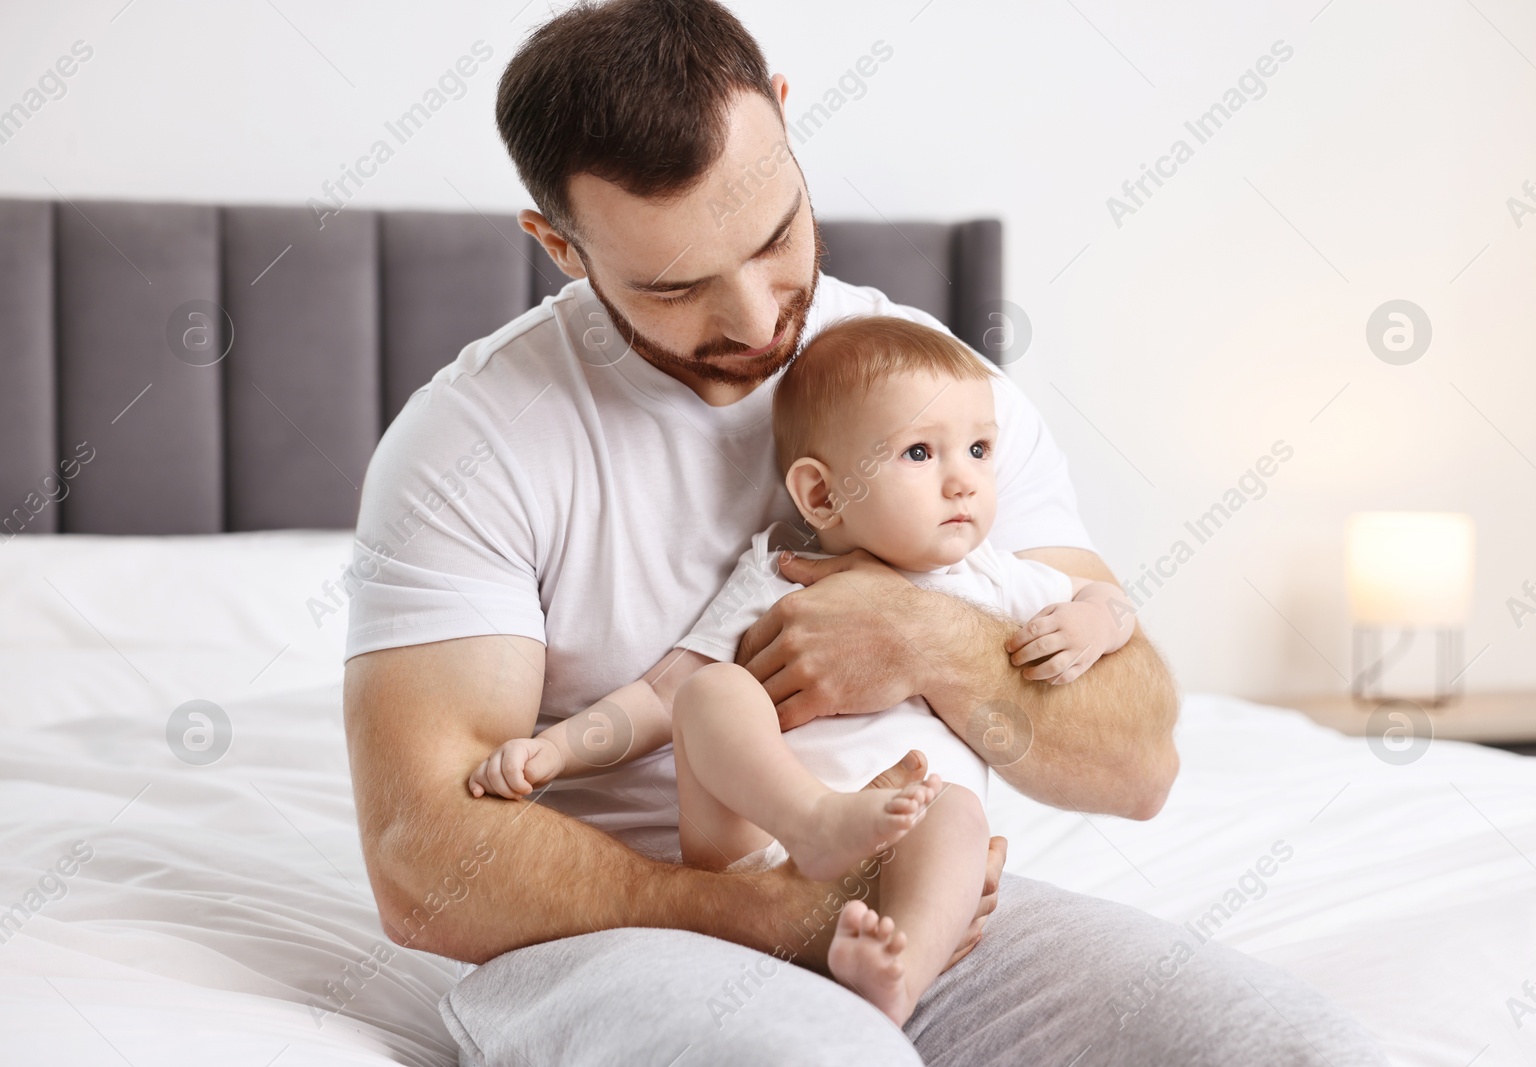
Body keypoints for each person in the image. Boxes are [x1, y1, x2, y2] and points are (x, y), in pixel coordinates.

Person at [342, 0, 1389, 1061]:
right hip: (618, 926)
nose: (754, 320)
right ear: (559, 244)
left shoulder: (929, 389)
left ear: (787, 121)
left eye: (773, 236)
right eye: (676, 285)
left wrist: (924, 640)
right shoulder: (469, 443)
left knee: (1293, 1046)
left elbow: (1135, 763)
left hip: (916, 905)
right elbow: (426, 861)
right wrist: (751, 910)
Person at [466, 316, 1137, 1025]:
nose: (963, 481)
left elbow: (1112, 602)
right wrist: (557, 748)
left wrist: (1095, 623)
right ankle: (816, 819)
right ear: (820, 496)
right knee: (710, 688)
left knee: (960, 815)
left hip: (897, 870)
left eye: (978, 449)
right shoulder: (782, 570)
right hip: (753, 857)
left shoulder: (991, 580)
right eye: (919, 451)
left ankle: (897, 971)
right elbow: (663, 693)